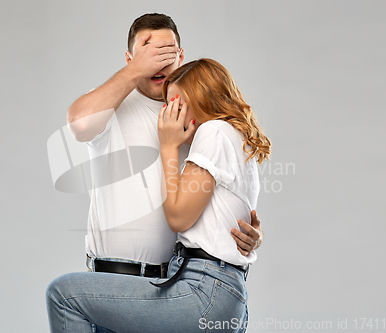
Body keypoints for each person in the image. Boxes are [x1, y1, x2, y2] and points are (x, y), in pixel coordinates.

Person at [48, 13, 263, 332]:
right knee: (67, 296)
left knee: (63, 295)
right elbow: (78, 126)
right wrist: (137, 69)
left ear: (181, 56)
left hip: (177, 282)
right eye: (149, 52)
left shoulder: (201, 123)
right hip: (115, 283)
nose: (158, 62)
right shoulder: (112, 104)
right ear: (129, 58)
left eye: (167, 53)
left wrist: (246, 235)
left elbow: (222, 197)